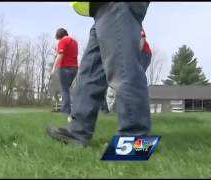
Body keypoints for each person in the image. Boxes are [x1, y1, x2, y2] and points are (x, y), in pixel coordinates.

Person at [46, 2, 151, 147]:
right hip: (101, 9)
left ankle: (135, 143)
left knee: (123, 68)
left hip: (116, 4)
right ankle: (78, 132)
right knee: (89, 72)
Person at [106, 27, 152, 113]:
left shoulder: (134, 23)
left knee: (136, 78)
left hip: (143, 54)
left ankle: (139, 107)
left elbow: (142, 39)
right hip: (129, 55)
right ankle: (114, 107)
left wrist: (135, 56)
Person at [51, 28, 78, 120]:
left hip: (65, 68)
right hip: (75, 69)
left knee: (65, 90)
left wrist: (54, 66)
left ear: (59, 36)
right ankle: (75, 110)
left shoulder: (63, 41)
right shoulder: (75, 42)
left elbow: (61, 54)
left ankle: (66, 110)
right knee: (72, 90)